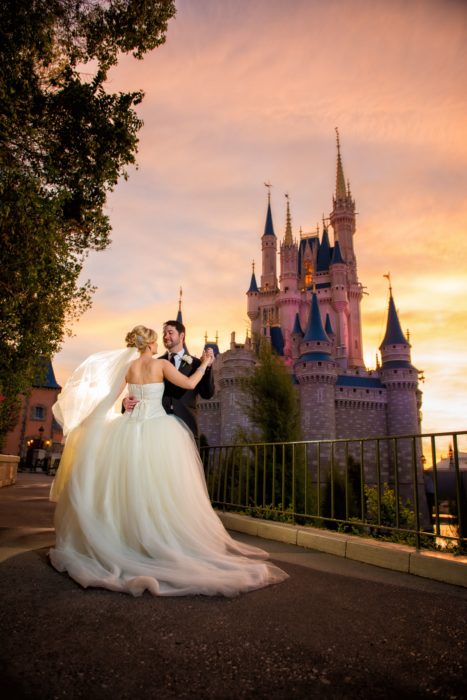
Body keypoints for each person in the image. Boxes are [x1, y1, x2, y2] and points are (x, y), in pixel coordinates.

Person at [49, 325, 288, 597]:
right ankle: (158, 540)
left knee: (129, 486)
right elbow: (187, 384)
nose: (164, 339)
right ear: (151, 343)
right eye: (160, 336)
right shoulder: (160, 365)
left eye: (170, 333)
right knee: (161, 489)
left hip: (129, 430)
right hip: (159, 429)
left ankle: (129, 539)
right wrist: (207, 363)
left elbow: (109, 399)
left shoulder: (128, 368)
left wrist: (102, 417)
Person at [123, 320, 214, 437]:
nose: (166, 336)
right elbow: (140, 389)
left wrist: (207, 366)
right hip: (156, 427)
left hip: (187, 425)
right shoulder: (156, 362)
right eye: (164, 333)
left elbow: (207, 394)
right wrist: (125, 401)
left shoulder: (197, 364)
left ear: (182, 336)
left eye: (170, 333)